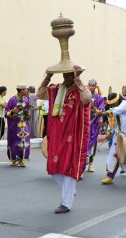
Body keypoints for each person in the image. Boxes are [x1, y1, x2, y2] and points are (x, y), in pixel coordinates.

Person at [36, 65, 91, 214]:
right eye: (65, 75)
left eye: (70, 75)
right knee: (53, 169)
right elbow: (40, 94)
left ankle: (66, 203)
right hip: (57, 134)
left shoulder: (80, 90)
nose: (67, 78)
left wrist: (78, 78)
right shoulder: (56, 89)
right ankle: (70, 190)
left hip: (73, 135)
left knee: (69, 169)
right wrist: (48, 77)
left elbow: (87, 98)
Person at [95, 93, 126, 186]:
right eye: (111, 103)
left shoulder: (125, 104)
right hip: (118, 137)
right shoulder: (115, 108)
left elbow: (114, 111)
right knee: (114, 156)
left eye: (113, 103)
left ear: (117, 100)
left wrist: (101, 113)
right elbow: (114, 122)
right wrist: (109, 133)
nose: (112, 104)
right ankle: (110, 177)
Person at [5, 83, 31, 167]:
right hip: (14, 124)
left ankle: (22, 159)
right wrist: (12, 111)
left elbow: (27, 110)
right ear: (21, 90)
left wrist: (27, 114)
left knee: (25, 141)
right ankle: (14, 159)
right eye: (25, 89)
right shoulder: (12, 100)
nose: (27, 90)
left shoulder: (26, 99)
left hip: (24, 124)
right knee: (14, 141)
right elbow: (6, 112)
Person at [84, 79, 104, 173]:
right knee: (83, 143)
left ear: (95, 87)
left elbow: (101, 109)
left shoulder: (99, 97)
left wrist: (95, 109)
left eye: (93, 86)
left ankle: (90, 165)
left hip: (94, 123)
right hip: (84, 123)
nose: (91, 87)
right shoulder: (84, 95)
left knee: (93, 144)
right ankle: (82, 164)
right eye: (90, 85)